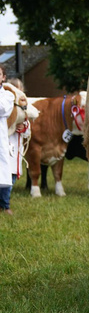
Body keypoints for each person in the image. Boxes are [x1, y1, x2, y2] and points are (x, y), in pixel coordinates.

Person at [0, 78, 31, 215]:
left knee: (10, 177)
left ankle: (4, 204)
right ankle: (5, 205)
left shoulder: (22, 108)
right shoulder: (6, 104)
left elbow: (28, 130)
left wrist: (23, 127)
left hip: (14, 148)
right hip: (5, 144)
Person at [0, 65, 15, 214]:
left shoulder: (8, 96)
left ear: (3, 77)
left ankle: (5, 205)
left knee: (3, 173)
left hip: (1, 140)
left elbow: (3, 109)